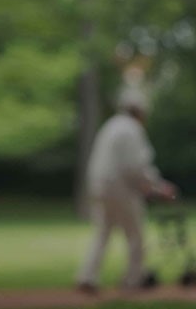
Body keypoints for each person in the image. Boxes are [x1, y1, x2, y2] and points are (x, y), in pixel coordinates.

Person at [76, 87, 177, 294]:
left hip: (99, 187)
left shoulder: (111, 125)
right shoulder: (132, 129)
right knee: (135, 235)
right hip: (121, 188)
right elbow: (137, 166)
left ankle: (87, 276)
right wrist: (159, 187)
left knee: (102, 232)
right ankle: (133, 279)